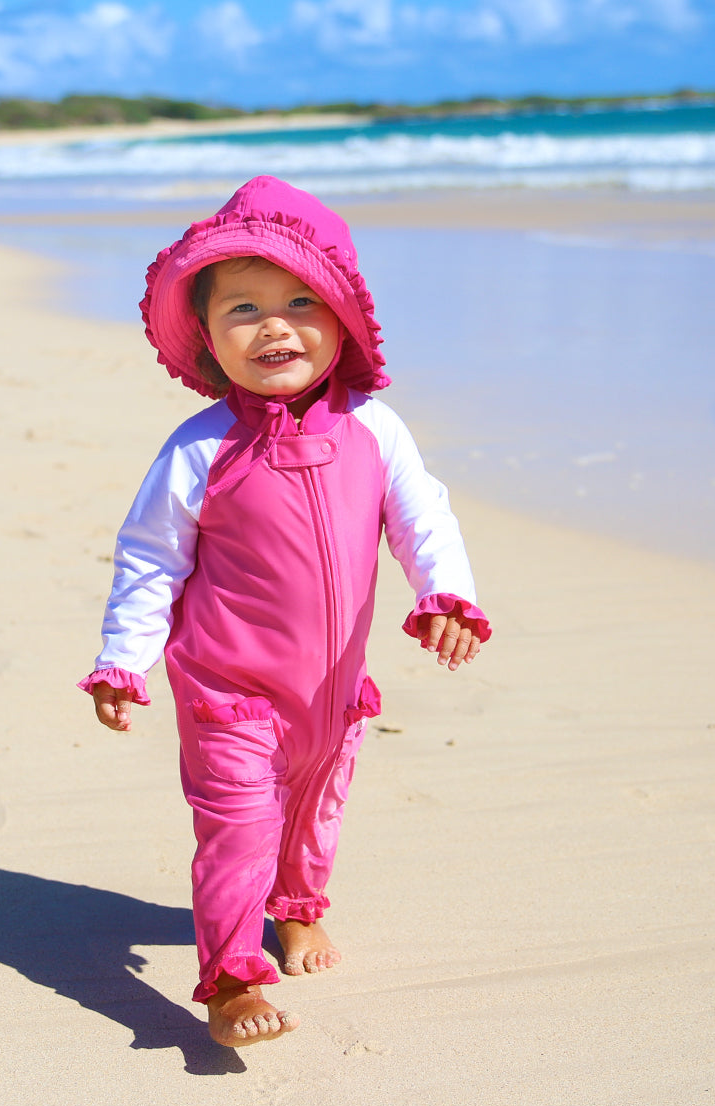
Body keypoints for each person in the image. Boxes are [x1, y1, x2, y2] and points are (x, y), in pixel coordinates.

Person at [80, 175, 490, 1048]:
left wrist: (445, 593)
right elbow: (151, 558)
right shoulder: (201, 448)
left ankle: (298, 908)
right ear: (208, 338)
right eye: (244, 309)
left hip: (331, 687)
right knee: (239, 828)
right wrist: (123, 657)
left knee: (314, 808)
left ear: (342, 318)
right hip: (227, 691)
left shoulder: (375, 429)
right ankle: (232, 980)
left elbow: (423, 517)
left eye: (301, 302)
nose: (275, 326)